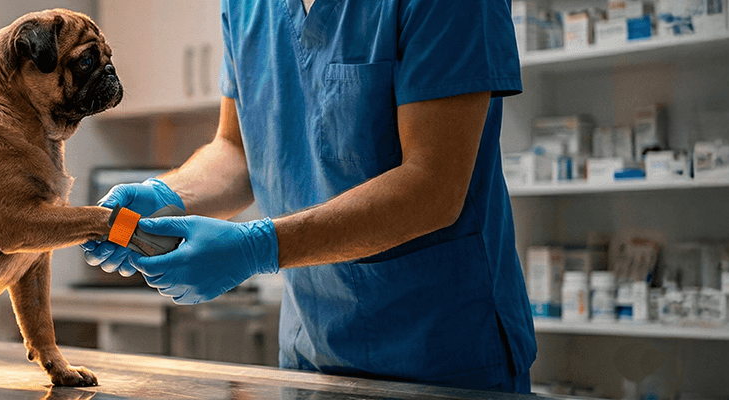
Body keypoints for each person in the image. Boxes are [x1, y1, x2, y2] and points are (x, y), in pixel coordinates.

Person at [80, 0, 536, 393]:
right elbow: (236, 149)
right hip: (311, 354)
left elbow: (432, 186)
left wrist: (256, 247)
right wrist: (164, 193)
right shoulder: (246, 7)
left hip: (441, 355)